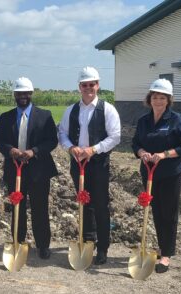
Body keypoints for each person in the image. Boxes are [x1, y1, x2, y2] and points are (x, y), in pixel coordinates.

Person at [58, 66, 121, 265]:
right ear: (79, 87)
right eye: (84, 85)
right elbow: (62, 133)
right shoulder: (71, 110)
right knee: (84, 203)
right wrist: (71, 148)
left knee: (101, 205)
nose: (88, 88)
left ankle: (103, 247)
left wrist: (93, 149)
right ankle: (87, 241)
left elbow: (115, 136)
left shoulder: (107, 109)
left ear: (98, 85)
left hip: (98, 164)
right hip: (78, 164)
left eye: (91, 84)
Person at [131, 78, 181, 273]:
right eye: (154, 97)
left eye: (162, 97)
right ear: (150, 99)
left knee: (169, 213)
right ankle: (161, 246)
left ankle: (166, 255)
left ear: (168, 100)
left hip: (170, 173)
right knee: (155, 211)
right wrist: (142, 153)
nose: (157, 101)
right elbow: (135, 143)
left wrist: (164, 155)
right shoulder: (143, 121)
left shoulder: (175, 119)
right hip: (148, 173)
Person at [0, 77, 58, 259]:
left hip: (39, 170)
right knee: (17, 208)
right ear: (14, 94)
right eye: (19, 93)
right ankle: (18, 241)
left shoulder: (44, 115)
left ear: (31, 94)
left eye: (26, 93)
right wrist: (10, 150)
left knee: (40, 208)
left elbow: (52, 141)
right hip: (14, 169)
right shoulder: (6, 117)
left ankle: (43, 245)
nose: (23, 96)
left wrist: (34, 151)